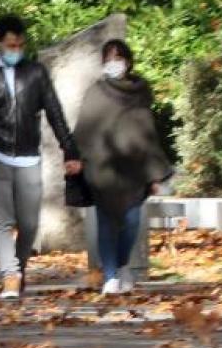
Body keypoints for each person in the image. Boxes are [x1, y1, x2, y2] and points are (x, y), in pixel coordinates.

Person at [0, 14, 83, 300]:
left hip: (28, 156)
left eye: (20, 45)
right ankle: (10, 275)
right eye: (10, 45)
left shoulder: (36, 73)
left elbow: (55, 113)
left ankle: (17, 268)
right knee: (2, 219)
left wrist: (70, 150)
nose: (16, 50)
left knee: (29, 223)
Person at [74, 40, 172, 295]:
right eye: (108, 59)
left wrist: (154, 172)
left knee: (131, 223)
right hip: (103, 169)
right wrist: (77, 159)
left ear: (127, 61)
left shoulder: (140, 91)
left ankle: (122, 264)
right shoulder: (96, 91)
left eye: (117, 58)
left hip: (134, 170)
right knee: (106, 223)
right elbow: (85, 128)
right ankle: (109, 276)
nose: (113, 64)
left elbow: (147, 131)